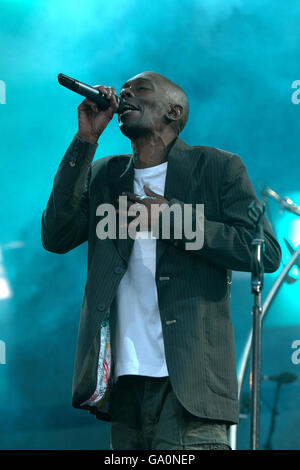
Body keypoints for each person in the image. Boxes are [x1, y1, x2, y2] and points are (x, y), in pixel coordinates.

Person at [41, 71, 281, 450]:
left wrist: (174, 220)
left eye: (140, 89)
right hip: (122, 388)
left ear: (174, 110)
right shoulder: (105, 175)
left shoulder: (217, 168)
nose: (125, 95)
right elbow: (55, 236)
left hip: (190, 387)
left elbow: (264, 250)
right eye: (123, 91)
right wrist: (85, 139)